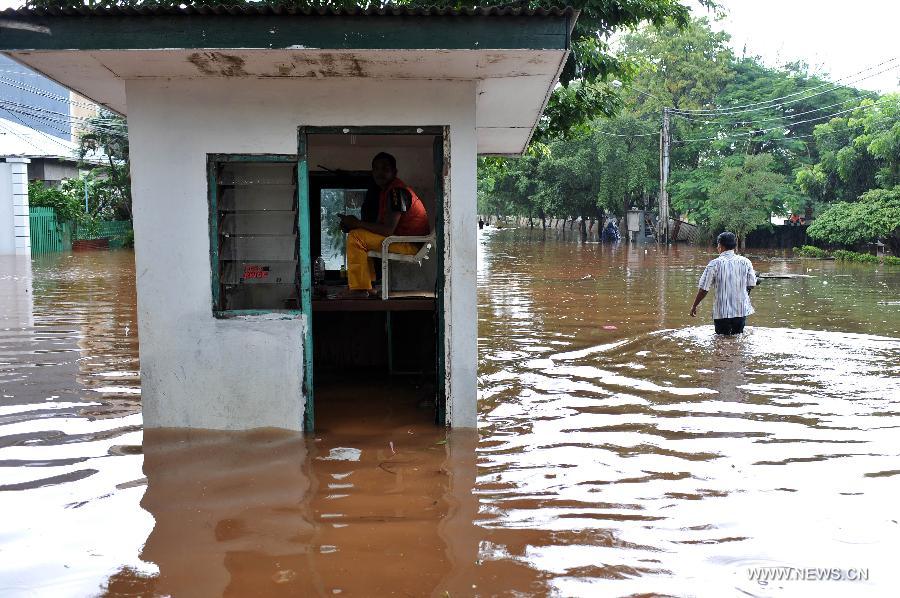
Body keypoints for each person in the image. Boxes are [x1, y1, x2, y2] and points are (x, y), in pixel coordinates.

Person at [338, 152, 430, 297]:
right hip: (401, 240)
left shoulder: (396, 192)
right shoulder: (387, 191)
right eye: (376, 169)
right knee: (358, 234)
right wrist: (354, 224)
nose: (379, 173)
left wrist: (356, 223)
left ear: (394, 172)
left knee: (356, 237)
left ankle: (359, 289)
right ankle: (368, 286)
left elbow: (387, 230)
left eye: (385, 169)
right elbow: (380, 227)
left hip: (411, 245)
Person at [690, 231, 757, 335]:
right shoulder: (746, 262)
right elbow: (752, 284)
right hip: (741, 311)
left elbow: (704, 289)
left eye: (717, 245)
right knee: (738, 342)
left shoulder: (714, 264)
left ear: (720, 245)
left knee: (721, 343)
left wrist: (694, 306)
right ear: (734, 246)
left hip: (721, 313)